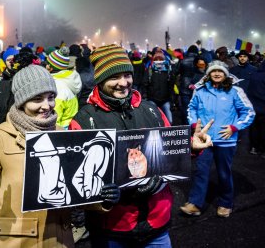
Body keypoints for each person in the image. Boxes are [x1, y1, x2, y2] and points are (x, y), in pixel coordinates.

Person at [68, 44, 213, 247]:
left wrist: (191, 147)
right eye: (114, 77)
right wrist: (99, 197)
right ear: (100, 80)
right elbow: (76, 180)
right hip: (112, 229)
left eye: (127, 75)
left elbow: (169, 153)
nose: (123, 83)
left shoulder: (151, 110)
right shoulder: (83, 121)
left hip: (157, 224)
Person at [0, 64, 76, 247]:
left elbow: (76, 192)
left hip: (60, 241)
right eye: (37, 99)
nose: (47, 106)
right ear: (21, 101)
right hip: (15, 242)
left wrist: (102, 199)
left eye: (51, 97)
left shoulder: (62, 135)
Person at [181, 60, 255, 218]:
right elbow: (191, 109)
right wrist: (195, 125)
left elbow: (249, 112)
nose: (216, 73)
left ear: (225, 74)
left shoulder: (235, 91)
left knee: (223, 173)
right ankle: (195, 203)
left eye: (220, 71)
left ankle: (225, 203)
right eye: (213, 71)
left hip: (225, 140)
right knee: (201, 171)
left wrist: (234, 127)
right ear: (208, 74)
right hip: (204, 140)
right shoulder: (200, 91)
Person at [46, 48, 81, 129]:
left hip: (61, 128)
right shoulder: (67, 80)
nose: (45, 65)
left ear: (50, 67)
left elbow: (55, 115)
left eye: (47, 63)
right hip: (70, 125)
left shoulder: (57, 86)